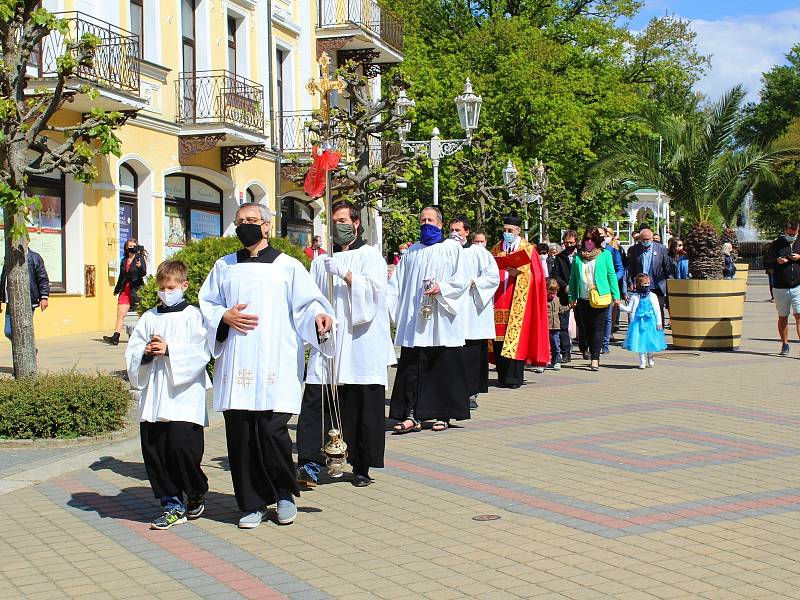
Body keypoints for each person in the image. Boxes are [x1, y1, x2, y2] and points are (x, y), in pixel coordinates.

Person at [199, 203, 333, 529]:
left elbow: (308, 304)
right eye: (240, 221)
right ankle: (252, 503)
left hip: (275, 361)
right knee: (242, 435)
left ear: (267, 226)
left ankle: (284, 493)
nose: (245, 226)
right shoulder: (224, 267)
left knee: (273, 433)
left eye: (252, 221)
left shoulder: (287, 267)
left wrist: (318, 317)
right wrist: (223, 316)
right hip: (238, 359)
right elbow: (207, 306)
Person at [297, 201, 395, 488]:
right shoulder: (320, 262)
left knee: (360, 402)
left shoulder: (370, 256)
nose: (338, 226)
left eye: (343, 220)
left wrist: (346, 275)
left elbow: (376, 297)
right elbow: (310, 299)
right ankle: (309, 462)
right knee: (316, 397)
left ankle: (361, 464)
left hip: (361, 342)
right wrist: (317, 316)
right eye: (334, 220)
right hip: (329, 340)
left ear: (355, 224)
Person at [125, 260, 211, 530]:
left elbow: (202, 351)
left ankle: (195, 490)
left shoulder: (193, 316)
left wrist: (171, 349)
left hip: (183, 395)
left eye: (170, 287)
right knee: (156, 451)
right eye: (161, 287)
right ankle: (171, 503)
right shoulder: (149, 317)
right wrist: (146, 353)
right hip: (156, 394)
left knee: (182, 449)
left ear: (184, 286)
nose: (165, 292)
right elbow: (133, 350)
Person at [386, 206, 471, 433]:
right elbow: (397, 285)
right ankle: (412, 414)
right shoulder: (412, 252)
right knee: (413, 366)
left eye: (430, 220)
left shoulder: (452, 249)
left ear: (440, 225)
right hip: (416, 319)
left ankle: (442, 414)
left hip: (442, 318)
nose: (426, 223)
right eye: (422, 220)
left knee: (441, 365)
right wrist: (391, 309)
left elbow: (462, 280)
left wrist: (441, 288)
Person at [490, 215, 550, 388]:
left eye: (510, 230)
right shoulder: (496, 249)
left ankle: (514, 378)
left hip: (519, 302)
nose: (507, 233)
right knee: (499, 340)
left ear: (518, 231)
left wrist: (521, 274)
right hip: (499, 300)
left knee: (517, 340)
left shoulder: (529, 250)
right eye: (504, 230)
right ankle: (502, 376)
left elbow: (538, 277)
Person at [449, 216, 499, 410]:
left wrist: (473, 283)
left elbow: (493, 277)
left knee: (472, 353)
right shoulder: (445, 251)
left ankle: (471, 392)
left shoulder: (479, 252)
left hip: (473, 309)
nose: (454, 234)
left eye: (458, 231)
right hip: (452, 309)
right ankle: (454, 390)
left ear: (467, 232)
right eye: (452, 230)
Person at [568, 226, 621, 371]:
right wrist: (572, 296)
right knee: (586, 329)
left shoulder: (605, 255)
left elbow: (611, 275)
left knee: (598, 329)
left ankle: (595, 358)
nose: (589, 242)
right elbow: (573, 278)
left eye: (592, 239)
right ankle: (589, 350)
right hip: (584, 298)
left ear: (597, 240)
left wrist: (616, 296)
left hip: (601, 297)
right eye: (587, 239)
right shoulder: (578, 257)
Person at [764, 220, 800, 355]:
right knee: (783, 317)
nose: (793, 236)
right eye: (790, 234)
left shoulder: (799, 242)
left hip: (798, 286)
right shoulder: (776, 244)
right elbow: (766, 262)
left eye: (795, 234)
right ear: (785, 231)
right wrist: (777, 261)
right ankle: (785, 344)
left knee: (799, 316)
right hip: (780, 287)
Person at [103, 240, 148, 345]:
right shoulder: (124, 261)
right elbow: (121, 276)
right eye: (130, 246)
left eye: (134, 246)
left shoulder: (139, 259)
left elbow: (143, 273)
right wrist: (117, 289)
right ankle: (115, 337)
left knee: (140, 314)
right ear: (126, 248)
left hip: (136, 290)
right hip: (125, 290)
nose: (132, 247)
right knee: (120, 314)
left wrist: (139, 266)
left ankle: (143, 336)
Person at [0, 248, 50, 340]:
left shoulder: (35, 257)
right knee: (8, 331)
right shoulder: (8, 257)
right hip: (11, 301)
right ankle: (29, 348)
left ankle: (28, 350)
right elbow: (3, 278)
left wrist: (44, 297)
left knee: (24, 329)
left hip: (28, 300)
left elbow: (42, 278)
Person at [619, 273, 666, 369]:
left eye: (648, 283)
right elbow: (629, 309)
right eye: (644, 283)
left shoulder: (653, 296)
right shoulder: (635, 297)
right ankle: (642, 360)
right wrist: (619, 305)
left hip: (651, 321)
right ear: (639, 285)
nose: (647, 285)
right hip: (638, 322)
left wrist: (659, 322)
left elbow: (657, 310)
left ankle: (650, 356)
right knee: (639, 341)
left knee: (650, 340)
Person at [626, 227, 672, 324]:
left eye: (648, 239)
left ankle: (659, 332)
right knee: (641, 309)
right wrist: (630, 281)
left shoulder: (661, 249)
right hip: (641, 285)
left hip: (657, 285)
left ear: (652, 238)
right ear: (640, 239)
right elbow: (631, 267)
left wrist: (670, 284)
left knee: (658, 309)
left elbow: (667, 267)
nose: (646, 241)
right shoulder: (635, 250)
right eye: (644, 239)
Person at [551, 230, 578, 363]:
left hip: (582, 294)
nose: (569, 245)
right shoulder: (560, 257)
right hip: (564, 294)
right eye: (566, 242)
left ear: (576, 242)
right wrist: (565, 286)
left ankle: (585, 348)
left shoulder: (582, 255)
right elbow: (555, 275)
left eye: (571, 242)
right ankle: (565, 352)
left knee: (583, 324)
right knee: (563, 325)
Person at [598, 226, 624, 354]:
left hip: (607, 288)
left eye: (602, 234)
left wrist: (612, 280)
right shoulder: (587, 251)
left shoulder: (612, 251)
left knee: (607, 317)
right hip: (592, 289)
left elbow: (620, 270)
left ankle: (605, 343)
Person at [545, 278, 568, 370]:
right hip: (546, 327)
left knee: (556, 345)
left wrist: (569, 306)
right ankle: (543, 362)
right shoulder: (544, 300)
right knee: (546, 346)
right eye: (550, 293)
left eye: (554, 293)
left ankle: (556, 361)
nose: (552, 295)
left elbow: (561, 309)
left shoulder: (557, 299)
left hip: (556, 327)